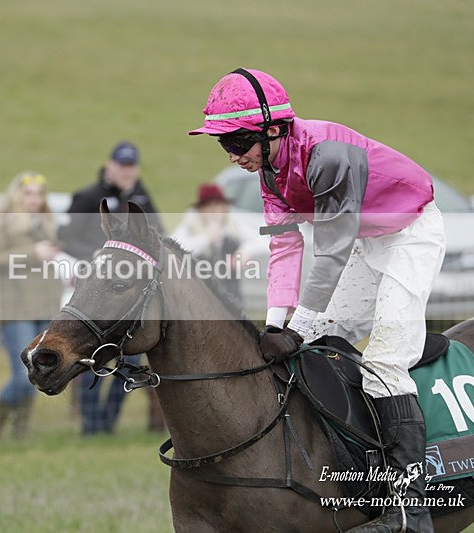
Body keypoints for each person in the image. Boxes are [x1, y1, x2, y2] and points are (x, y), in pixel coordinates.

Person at [189, 68, 444, 533]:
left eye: (238, 142)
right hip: (367, 243)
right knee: (319, 343)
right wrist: (274, 325)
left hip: (411, 234)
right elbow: (286, 247)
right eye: (223, 145)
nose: (232, 156)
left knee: (385, 362)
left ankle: (409, 512)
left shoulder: (328, 156)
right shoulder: (270, 169)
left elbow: (331, 250)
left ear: (272, 129)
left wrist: (298, 326)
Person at [58, 140, 166, 435]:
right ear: (110, 166)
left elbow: (158, 233)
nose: (127, 172)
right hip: (96, 290)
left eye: (132, 166)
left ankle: (108, 422)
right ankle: (91, 427)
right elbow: (66, 238)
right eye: (122, 166)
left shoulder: (141, 197)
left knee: (130, 361)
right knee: (93, 357)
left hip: (128, 294)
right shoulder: (88, 197)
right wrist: (95, 252)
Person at [0, 171, 64, 441]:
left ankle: (19, 435)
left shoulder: (47, 223)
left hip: (45, 308)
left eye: (39, 194)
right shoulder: (1, 224)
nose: (34, 199)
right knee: (21, 377)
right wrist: (32, 254)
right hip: (16, 310)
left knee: (37, 374)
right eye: (28, 193)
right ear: (17, 195)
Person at [171, 183, 248, 304]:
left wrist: (245, 251)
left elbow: (261, 240)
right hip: (199, 299)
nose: (213, 212)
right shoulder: (190, 227)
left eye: (217, 206)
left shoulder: (233, 227)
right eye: (208, 207)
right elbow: (173, 246)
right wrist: (205, 238)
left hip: (232, 299)